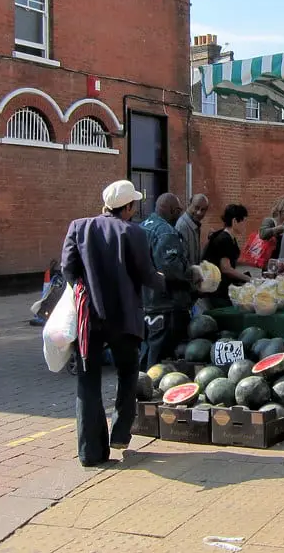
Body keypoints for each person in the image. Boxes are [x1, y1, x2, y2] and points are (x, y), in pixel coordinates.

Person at [60, 180, 164, 466]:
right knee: (128, 373)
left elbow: (67, 268)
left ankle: (90, 453)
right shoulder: (134, 232)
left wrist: (85, 290)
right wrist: (168, 281)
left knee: (87, 381)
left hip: (89, 317)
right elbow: (147, 275)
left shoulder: (78, 227)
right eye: (134, 205)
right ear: (128, 207)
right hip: (125, 317)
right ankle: (120, 432)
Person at [140, 193, 197, 369]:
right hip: (166, 304)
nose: (180, 214)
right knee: (161, 357)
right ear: (172, 210)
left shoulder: (142, 226)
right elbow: (171, 268)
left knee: (148, 351)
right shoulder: (166, 232)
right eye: (178, 211)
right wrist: (192, 273)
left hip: (145, 301)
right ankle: (153, 390)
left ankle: (140, 389)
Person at [202, 204, 253, 306]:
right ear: (235, 221)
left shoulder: (229, 237)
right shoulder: (224, 239)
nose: (245, 225)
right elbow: (226, 268)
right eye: (244, 222)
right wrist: (249, 279)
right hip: (218, 292)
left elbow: (230, 259)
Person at [176, 194, 209, 267]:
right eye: (196, 208)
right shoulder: (183, 226)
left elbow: (196, 258)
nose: (199, 212)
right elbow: (181, 261)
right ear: (188, 205)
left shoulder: (194, 225)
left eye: (203, 210)